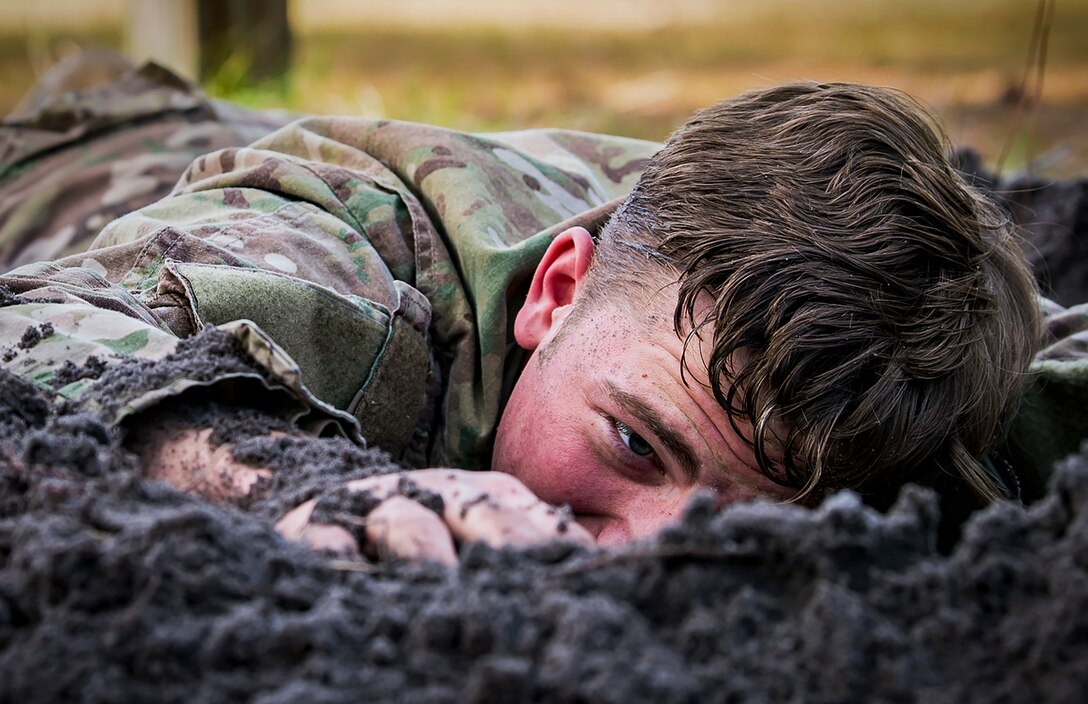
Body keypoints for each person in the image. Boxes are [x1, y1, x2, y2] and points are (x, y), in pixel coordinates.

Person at [1, 54, 1082, 563]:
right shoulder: (363, 252)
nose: (638, 554)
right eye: (632, 442)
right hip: (84, 155)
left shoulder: (935, 394)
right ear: (557, 292)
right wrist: (295, 484)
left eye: (748, 522)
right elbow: (62, 343)